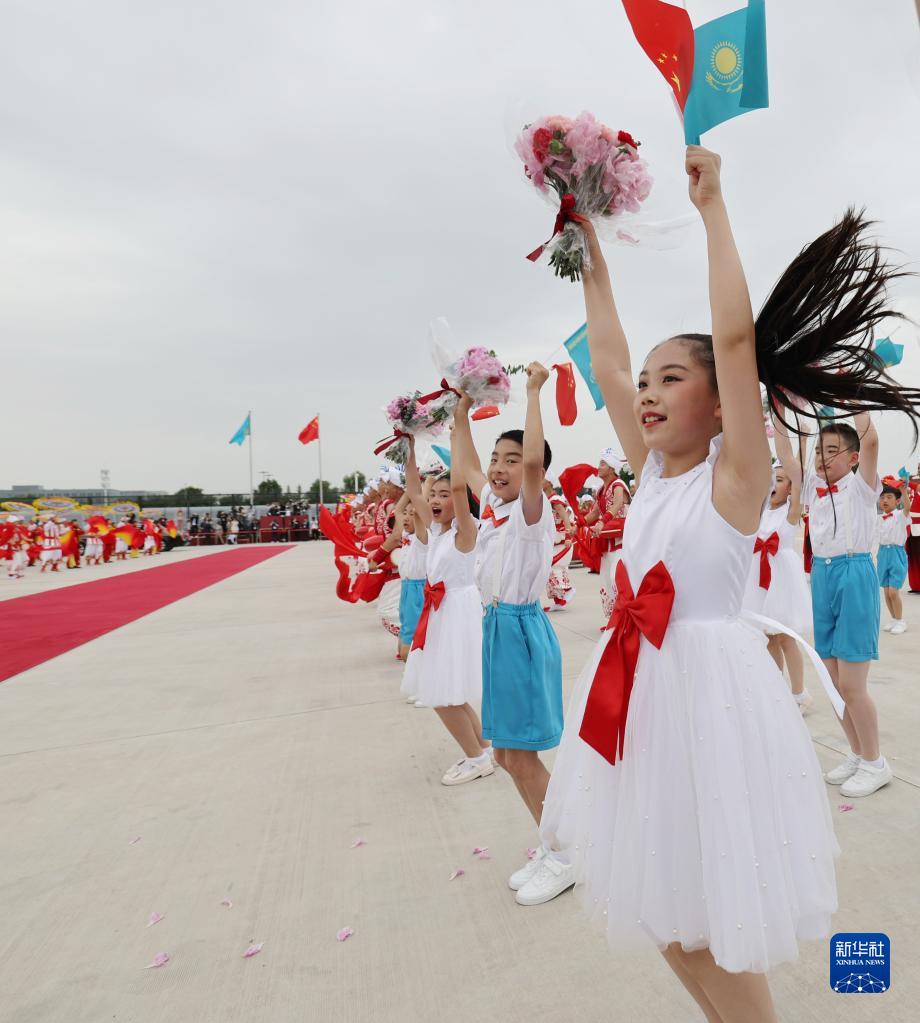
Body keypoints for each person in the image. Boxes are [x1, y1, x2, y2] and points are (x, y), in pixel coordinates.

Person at [540, 148, 920, 1022]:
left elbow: (738, 340)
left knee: (710, 920)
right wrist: (585, 241)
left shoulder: (734, 477)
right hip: (642, 698)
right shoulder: (650, 475)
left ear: (720, 403)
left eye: (672, 378)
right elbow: (607, 361)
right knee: (666, 916)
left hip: (707, 704)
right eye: (648, 383)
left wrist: (713, 209)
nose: (646, 393)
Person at [452, 366, 566, 905]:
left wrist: (534, 393)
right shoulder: (494, 507)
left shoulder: (529, 512)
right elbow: (465, 466)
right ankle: (552, 843)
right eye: (497, 457)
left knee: (521, 757)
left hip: (520, 629)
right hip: (496, 628)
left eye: (511, 459)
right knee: (504, 756)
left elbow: (536, 464)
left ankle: (566, 853)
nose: (498, 467)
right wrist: (459, 411)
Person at [400, 434, 493, 785]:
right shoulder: (436, 531)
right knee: (449, 692)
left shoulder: (466, 531)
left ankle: (476, 758)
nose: (435, 500)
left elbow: (458, 486)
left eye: (444, 494)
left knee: (440, 693)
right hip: (439, 613)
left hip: (457, 613)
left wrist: (456, 437)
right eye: (433, 495)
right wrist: (408, 447)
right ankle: (484, 750)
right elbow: (413, 489)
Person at [743, 443, 814, 712]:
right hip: (758, 580)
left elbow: (799, 474)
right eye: (772, 478)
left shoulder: (790, 511)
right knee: (768, 636)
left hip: (781, 580)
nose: (775, 483)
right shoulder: (759, 510)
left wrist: (802, 443)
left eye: (781, 480)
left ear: (790, 487)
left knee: (785, 637)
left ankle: (799, 693)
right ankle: (777, 691)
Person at [584, 449, 629, 618]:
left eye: (602, 464)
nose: (598, 467)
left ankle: (624, 619)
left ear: (612, 468)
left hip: (622, 541)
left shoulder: (618, 485)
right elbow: (594, 514)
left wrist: (603, 521)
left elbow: (617, 504)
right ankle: (614, 620)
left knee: (616, 578)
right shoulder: (601, 490)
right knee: (606, 581)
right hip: (607, 541)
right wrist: (577, 524)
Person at [876, 477, 911, 634]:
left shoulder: (900, 515)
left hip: (896, 553)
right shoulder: (879, 518)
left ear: (897, 501)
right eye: (882, 497)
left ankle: (900, 620)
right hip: (883, 553)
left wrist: (903, 491)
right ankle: (894, 618)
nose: (885, 500)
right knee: (886, 591)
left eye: (889, 497)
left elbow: (907, 508)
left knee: (893, 591)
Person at [544, 479, 576, 611]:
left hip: (562, 541)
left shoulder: (555, 500)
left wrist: (568, 537)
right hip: (555, 541)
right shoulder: (547, 499)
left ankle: (568, 590)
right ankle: (559, 601)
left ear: (549, 483)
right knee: (549, 569)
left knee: (554, 567)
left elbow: (565, 518)